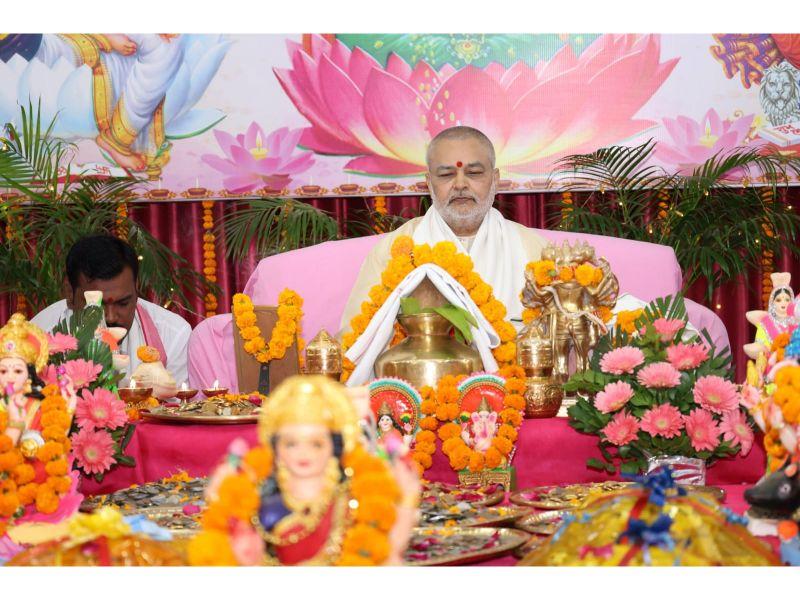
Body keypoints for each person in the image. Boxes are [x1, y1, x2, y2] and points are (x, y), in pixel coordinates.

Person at [340, 125, 547, 333]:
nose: (460, 184)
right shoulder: (397, 249)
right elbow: (358, 335)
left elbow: (557, 336)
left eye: (473, 173)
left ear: (495, 180)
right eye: (447, 174)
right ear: (429, 183)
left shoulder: (531, 247)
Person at [30, 235, 191, 386]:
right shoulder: (36, 338)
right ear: (69, 293)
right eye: (96, 305)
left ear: (137, 289)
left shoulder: (172, 333)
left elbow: (176, 410)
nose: (110, 317)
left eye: (123, 303)